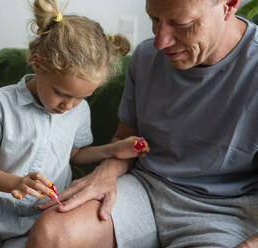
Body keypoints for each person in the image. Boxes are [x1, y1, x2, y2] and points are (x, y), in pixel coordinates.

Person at [26, 0, 258, 247]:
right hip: (145, 189)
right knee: (51, 234)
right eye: (155, 20)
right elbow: (128, 141)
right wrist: (107, 171)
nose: (160, 41)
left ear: (229, 5)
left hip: (225, 213)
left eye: (181, 24)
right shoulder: (147, 57)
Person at [0, 0, 137, 247]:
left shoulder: (79, 111)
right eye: (61, 93)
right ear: (37, 63)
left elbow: (76, 154)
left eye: (81, 97)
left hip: (46, 218)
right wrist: (15, 183)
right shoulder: (1, 102)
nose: (69, 105)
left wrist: (113, 150)